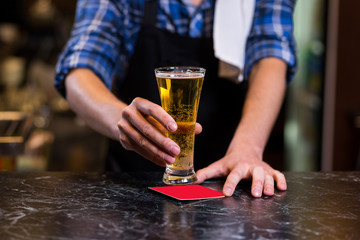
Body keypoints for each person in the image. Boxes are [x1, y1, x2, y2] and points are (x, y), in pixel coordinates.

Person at [55, 0, 297, 198]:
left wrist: (248, 148)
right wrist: (122, 119)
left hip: (226, 187)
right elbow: (80, 69)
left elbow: (271, 55)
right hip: (134, 188)